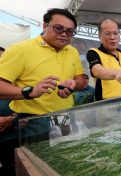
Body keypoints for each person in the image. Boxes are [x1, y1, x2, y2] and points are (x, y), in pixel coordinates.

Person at [0, 8, 85, 176]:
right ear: (45, 25)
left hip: (66, 118)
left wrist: (74, 84)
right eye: (58, 28)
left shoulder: (72, 51)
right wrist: (29, 92)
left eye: (70, 31)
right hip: (33, 123)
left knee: (66, 165)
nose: (64, 34)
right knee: (37, 169)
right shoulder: (21, 49)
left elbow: (82, 80)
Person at [86, 19, 121, 101]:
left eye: (115, 33)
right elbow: (97, 70)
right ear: (100, 37)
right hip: (108, 106)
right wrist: (116, 73)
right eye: (107, 34)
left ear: (119, 35)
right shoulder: (93, 52)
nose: (112, 37)